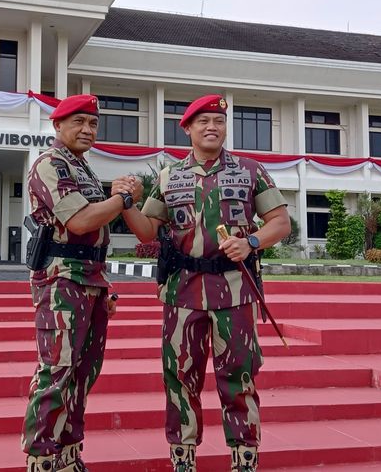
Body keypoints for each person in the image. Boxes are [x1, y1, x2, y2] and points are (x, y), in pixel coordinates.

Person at [120, 94, 291, 471]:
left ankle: (244, 457)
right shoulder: (169, 176)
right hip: (182, 292)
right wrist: (126, 203)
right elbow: (149, 231)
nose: (212, 127)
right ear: (188, 129)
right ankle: (183, 458)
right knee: (180, 376)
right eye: (203, 122)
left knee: (239, 376)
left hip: (234, 290)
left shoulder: (250, 171)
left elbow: (280, 222)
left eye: (218, 121)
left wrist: (250, 242)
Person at [21, 94, 141, 471]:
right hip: (61, 282)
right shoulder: (50, 164)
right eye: (78, 122)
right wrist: (123, 198)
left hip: (91, 281)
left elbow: (95, 235)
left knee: (83, 373)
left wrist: (107, 285)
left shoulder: (83, 169)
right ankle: (41, 458)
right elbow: (81, 222)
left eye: (93, 124)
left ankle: (69, 454)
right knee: (57, 370)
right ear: (58, 126)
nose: (88, 130)